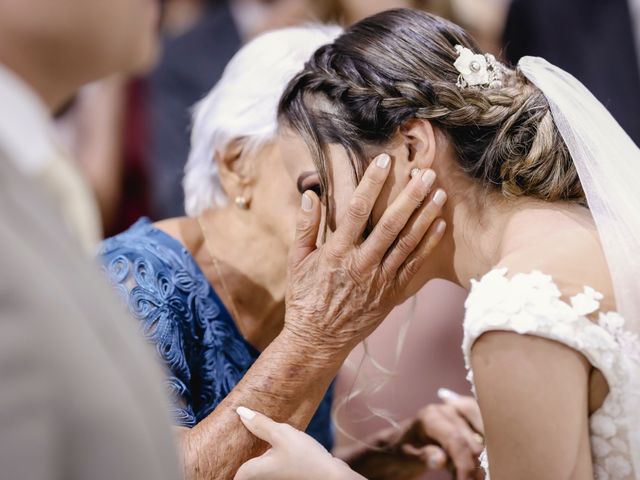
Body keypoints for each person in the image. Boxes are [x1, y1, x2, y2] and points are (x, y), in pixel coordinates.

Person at [234, 8, 640, 479]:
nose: (320, 231)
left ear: (411, 148)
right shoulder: (589, 230)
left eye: (317, 189)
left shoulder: (519, 309)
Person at [99, 24, 487, 480]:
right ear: (235, 165)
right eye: (321, 158)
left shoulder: (307, 293)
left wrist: (389, 457)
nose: (353, 187)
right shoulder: (132, 281)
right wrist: (314, 340)